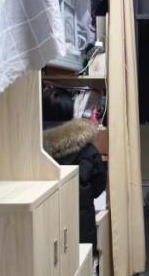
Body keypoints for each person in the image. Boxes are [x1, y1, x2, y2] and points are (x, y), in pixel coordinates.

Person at [41, 86, 107, 247]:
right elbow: (98, 188)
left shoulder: (30, 147)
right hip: (79, 228)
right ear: (71, 112)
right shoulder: (87, 150)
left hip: (42, 227)